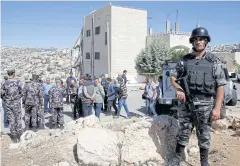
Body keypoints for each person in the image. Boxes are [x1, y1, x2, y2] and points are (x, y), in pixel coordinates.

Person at [169, 27, 226, 166]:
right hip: (186, 103)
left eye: (201, 39)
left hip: (205, 105)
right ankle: (177, 157)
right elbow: (172, 77)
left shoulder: (214, 61)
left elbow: (220, 85)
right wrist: (179, 89)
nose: (198, 42)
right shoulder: (184, 60)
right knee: (183, 131)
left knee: (204, 134)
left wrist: (217, 108)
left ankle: (204, 161)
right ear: (192, 42)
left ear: (206, 41)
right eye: (195, 39)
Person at [1, 68, 23, 143]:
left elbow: (1, 94)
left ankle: (14, 137)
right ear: (13, 74)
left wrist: (7, 99)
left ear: (8, 74)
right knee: (18, 119)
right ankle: (19, 136)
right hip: (16, 103)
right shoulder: (18, 82)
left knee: (11, 120)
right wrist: (17, 98)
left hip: (8, 104)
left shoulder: (4, 83)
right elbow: (21, 92)